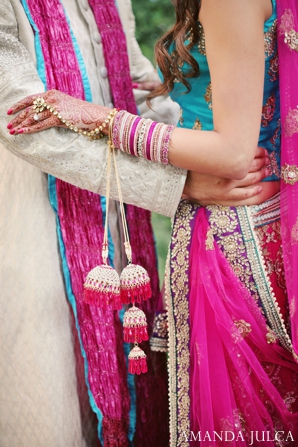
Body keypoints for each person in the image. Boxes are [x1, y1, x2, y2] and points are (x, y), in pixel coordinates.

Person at [2, 1, 285, 447]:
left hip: (212, 227)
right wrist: (179, 178)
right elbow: (20, 116)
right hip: (33, 231)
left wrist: (193, 159)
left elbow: (134, 96)